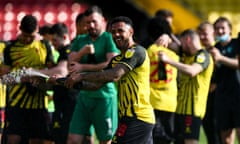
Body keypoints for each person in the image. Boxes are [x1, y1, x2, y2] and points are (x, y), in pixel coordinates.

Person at [65, 15, 155, 144]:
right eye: (113, 32)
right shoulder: (117, 60)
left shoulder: (137, 51)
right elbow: (96, 84)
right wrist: (65, 81)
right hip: (127, 118)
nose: (116, 35)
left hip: (138, 118)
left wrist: (82, 75)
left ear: (131, 32)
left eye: (120, 31)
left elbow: (114, 75)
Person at [66, 6, 120, 144]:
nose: (90, 25)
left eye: (94, 22)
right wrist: (82, 53)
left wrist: (83, 67)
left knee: (105, 140)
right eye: (87, 22)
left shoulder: (109, 38)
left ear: (103, 21)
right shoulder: (80, 40)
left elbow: (111, 64)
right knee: (73, 139)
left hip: (104, 97)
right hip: (84, 97)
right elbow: (70, 65)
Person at [1, 14, 55, 144]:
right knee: (13, 139)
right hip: (16, 103)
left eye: (30, 36)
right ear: (19, 28)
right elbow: (4, 78)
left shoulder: (45, 46)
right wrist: (22, 76)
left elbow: (52, 73)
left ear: (37, 30)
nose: (27, 39)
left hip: (38, 103)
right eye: (25, 35)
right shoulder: (10, 48)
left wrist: (37, 76)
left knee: (36, 140)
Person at [158, 29, 214, 144]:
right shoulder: (186, 53)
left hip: (193, 111)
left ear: (188, 40)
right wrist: (166, 35)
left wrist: (169, 60)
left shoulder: (203, 55)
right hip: (179, 110)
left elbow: (192, 71)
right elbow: (170, 44)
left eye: (182, 43)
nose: (180, 46)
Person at [146, 17, 179, 144]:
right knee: (166, 139)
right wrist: (170, 36)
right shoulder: (174, 51)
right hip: (170, 102)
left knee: (152, 138)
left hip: (152, 101)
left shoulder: (148, 50)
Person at [210, 16, 240, 144]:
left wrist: (221, 58)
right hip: (222, 97)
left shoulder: (237, 44)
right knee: (226, 138)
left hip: (238, 95)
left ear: (230, 30)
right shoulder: (214, 48)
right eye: (217, 29)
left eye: (223, 28)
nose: (220, 31)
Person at [196, 21, 221, 144]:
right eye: (199, 34)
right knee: (209, 133)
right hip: (205, 99)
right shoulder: (200, 52)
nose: (202, 37)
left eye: (204, 34)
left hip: (218, 99)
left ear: (213, 33)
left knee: (218, 135)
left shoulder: (218, 50)